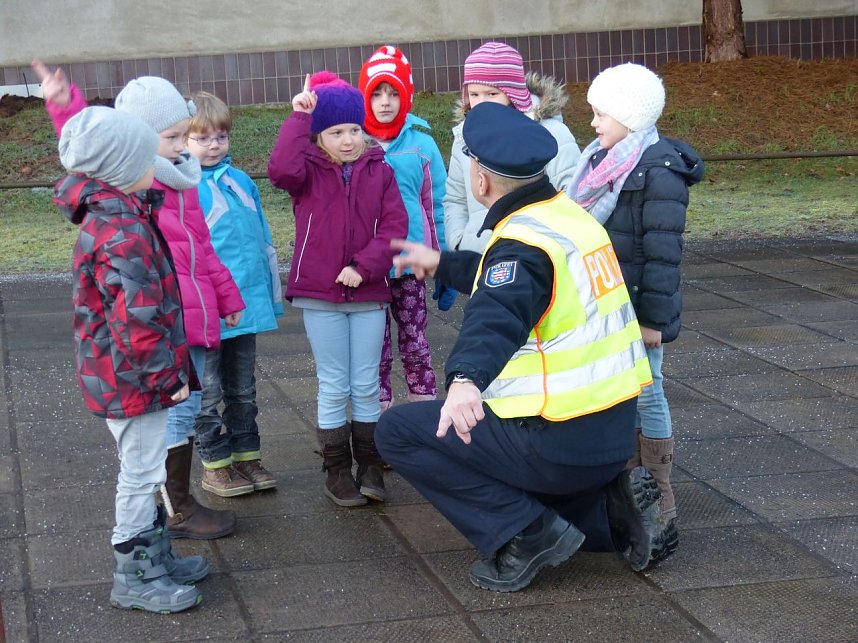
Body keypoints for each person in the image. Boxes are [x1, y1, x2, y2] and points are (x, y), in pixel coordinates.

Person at [376, 102, 677, 594]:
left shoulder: (520, 246)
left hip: (557, 439)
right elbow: (522, 287)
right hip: (614, 434)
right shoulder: (569, 221)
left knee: (399, 432)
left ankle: (524, 533)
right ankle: (610, 515)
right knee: (524, 469)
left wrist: (465, 381)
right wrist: (443, 263)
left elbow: (498, 314)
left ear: (480, 180)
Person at [33, 60, 246, 540]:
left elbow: (201, 247)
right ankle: (174, 509)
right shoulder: (132, 203)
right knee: (160, 434)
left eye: (179, 136)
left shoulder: (172, 185)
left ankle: (168, 513)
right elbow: (93, 143)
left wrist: (224, 295)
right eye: (168, 139)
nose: (177, 148)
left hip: (180, 315)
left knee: (185, 415)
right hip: (155, 334)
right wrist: (66, 108)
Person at [53, 105, 205, 613]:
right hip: (133, 380)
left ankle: (153, 556)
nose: (157, 163)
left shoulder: (124, 215)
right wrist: (167, 378)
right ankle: (134, 574)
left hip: (124, 375)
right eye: (146, 156)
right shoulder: (122, 232)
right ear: (120, 168)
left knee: (148, 467)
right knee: (140, 472)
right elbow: (136, 320)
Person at [567, 63, 704, 533]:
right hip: (608, 303)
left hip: (639, 308)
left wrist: (653, 322)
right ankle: (627, 482)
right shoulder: (602, 163)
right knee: (615, 392)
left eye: (601, 114)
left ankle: (659, 490)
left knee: (647, 393)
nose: (593, 123)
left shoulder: (657, 172)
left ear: (630, 116)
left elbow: (664, 258)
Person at [268, 72, 408, 506]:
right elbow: (279, 170)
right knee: (334, 384)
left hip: (367, 294)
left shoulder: (379, 170)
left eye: (353, 130)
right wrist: (298, 118)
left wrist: (364, 267)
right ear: (318, 135)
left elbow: (394, 228)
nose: (347, 140)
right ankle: (335, 469)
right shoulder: (306, 171)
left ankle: (368, 464)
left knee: (365, 383)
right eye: (335, 132)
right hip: (320, 294)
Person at [185, 91, 283, 496]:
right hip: (208, 312)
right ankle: (215, 463)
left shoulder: (241, 181)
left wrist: (270, 298)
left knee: (244, 389)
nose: (214, 145)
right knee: (208, 393)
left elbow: (263, 244)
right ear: (184, 140)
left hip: (245, 309)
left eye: (221, 137)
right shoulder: (185, 188)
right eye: (203, 137)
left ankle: (247, 456)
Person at [357, 45, 447, 411]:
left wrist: (442, 261)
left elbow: (435, 204)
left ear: (406, 95)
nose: (385, 101)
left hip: (412, 264)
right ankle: (378, 424)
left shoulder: (422, 144)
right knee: (374, 350)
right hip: (371, 268)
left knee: (415, 342)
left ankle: (421, 415)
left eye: (393, 92)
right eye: (376, 92)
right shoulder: (353, 143)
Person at [443, 41, 581, 254]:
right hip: (477, 259)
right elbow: (455, 198)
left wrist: (545, 252)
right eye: (474, 94)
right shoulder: (463, 137)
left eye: (492, 94)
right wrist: (460, 241)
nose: (481, 103)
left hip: (532, 261)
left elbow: (573, 198)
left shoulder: (551, 135)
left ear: (513, 93)